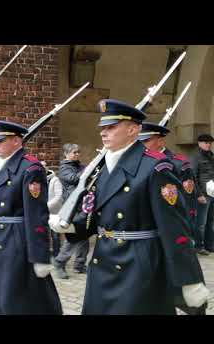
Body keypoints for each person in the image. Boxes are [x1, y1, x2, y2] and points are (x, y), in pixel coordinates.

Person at [51, 99, 209, 315]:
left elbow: (174, 226)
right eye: (102, 128)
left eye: (111, 127)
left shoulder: (155, 166)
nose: (103, 133)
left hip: (138, 264)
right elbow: (97, 215)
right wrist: (70, 226)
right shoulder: (101, 168)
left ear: (133, 129)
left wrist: (189, 279)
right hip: (103, 261)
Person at [0, 120, 63, 315]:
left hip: (17, 240)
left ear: (17, 141)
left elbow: (36, 215)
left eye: (1, 141)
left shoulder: (30, 168)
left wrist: (39, 255)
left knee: (16, 297)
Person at [139, 122, 207, 255]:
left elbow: (187, 198)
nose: (142, 145)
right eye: (139, 141)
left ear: (160, 141)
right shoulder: (139, 162)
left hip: (171, 223)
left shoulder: (179, 163)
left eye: (146, 141)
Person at [52, 143, 89, 279]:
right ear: (66, 154)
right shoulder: (64, 168)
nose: (77, 154)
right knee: (73, 236)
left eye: (78, 152)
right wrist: (87, 171)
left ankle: (79, 265)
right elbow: (74, 179)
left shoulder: (79, 166)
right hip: (73, 207)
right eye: (74, 152)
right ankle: (59, 262)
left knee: (84, 235)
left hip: (83, 205)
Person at [190, 134, 214, 253]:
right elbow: (192, 177)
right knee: (201, 222)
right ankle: (199, 246)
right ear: (199, 143)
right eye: (206, 142)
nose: (208, 145)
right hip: (203, 194)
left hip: (212, 193)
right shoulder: (195, 157)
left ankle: (210, 245)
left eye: (210, 143)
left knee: (211, 221)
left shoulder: (211, 156)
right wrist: (198, 194)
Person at [45, 161, 63, 260]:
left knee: (55, 234)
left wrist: (46, 206)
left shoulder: (55, 180)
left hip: (54, 212)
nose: (42, 168)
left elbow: (58, 196)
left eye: (44, 166)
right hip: (42, 212)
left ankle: (57, 255)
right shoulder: (37, 179)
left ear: (47, 168)